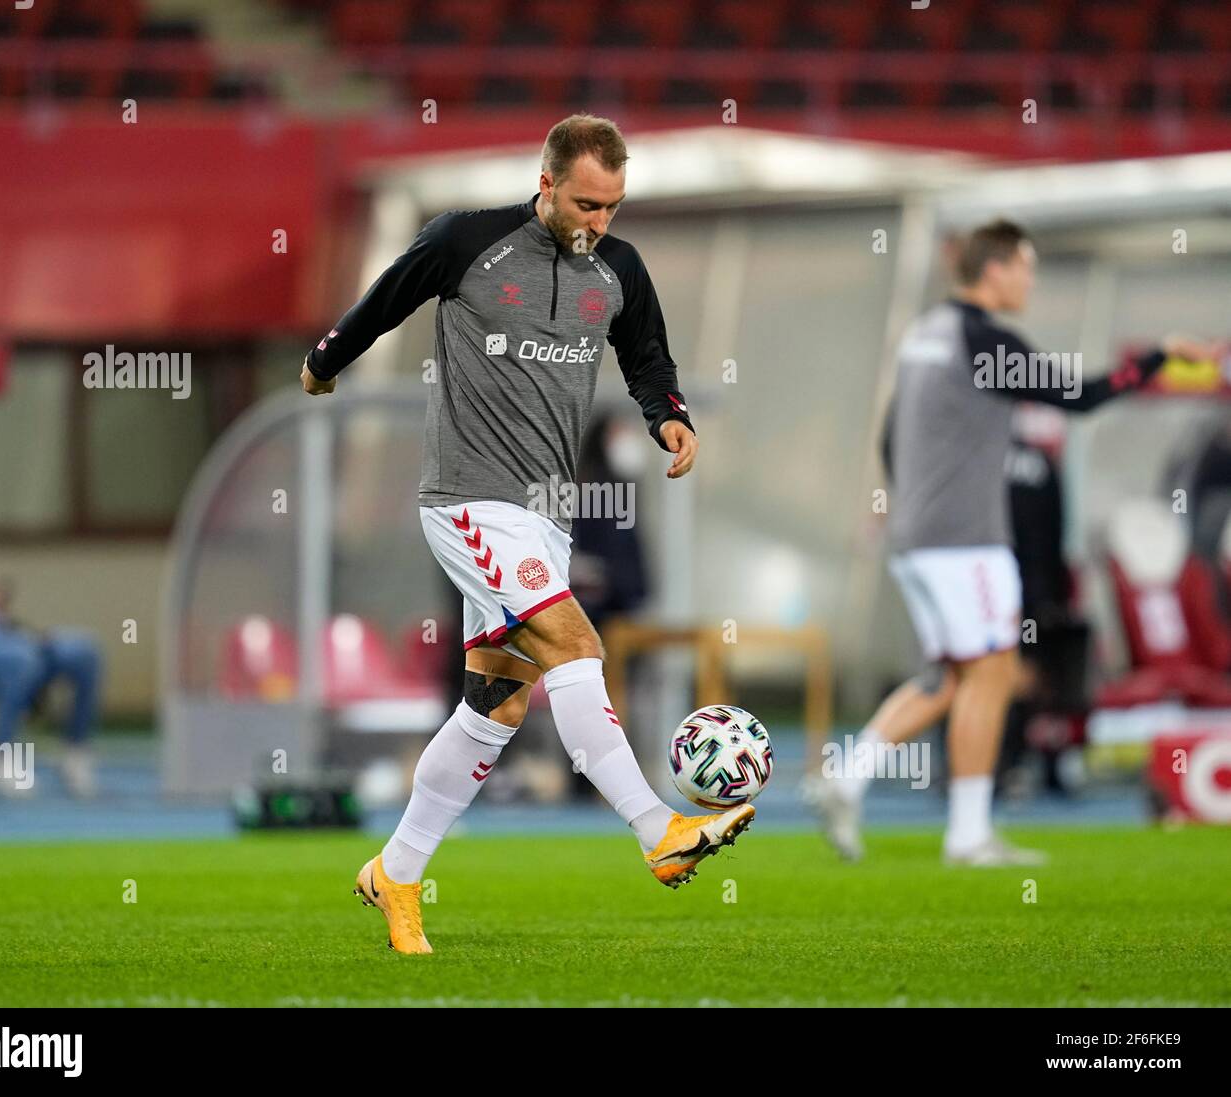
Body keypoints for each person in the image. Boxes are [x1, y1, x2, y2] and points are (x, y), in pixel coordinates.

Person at [301, 114, 753, 953]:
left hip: (547, 515)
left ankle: (397, 873)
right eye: (586, 203)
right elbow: (386, 298)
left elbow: (645, 356)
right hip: (468, 499)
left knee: (495, 704)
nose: (599, 222)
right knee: (577, 644)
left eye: (613, 206)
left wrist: (670, 418)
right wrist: (325, 361)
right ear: (546, 184)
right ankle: (657, 828)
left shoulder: (619, 267)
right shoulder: (467, 241)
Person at [812, 218, 1216, 866]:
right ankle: (968, 835)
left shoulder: (924, 335)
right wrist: (1158, 357)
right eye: (1025, 266)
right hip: (966, 538)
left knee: (950, 674)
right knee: (994, 672)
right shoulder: (983, 340)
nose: (1030, 279)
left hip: (917, 537)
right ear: (995, 269)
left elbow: (892, 436)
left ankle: (848, 774)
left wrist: (908, 502)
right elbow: (1080, 397)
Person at [0, 570, 102, 797]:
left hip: (10, 642)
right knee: (19, 657)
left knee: (83, 650)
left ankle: (75, 751)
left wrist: (26, 633)